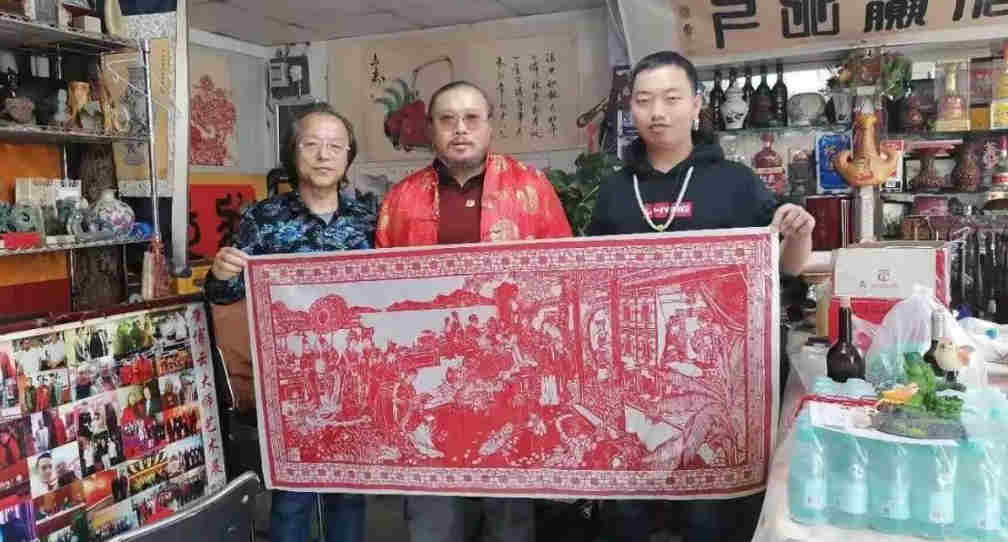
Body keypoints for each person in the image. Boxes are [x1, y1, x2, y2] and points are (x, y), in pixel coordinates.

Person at [586, 51, 815, 541]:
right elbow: (592, 280)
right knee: (630, 515)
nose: (657, 112)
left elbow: (787, 268)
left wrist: (799, 231)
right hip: (637, 391)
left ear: (695, 105)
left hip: (729, 389)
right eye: (644, 101)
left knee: (713, 519)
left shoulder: (736, 182)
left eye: (671, 99)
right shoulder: (614, 192)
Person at [376, 80, 572, 542]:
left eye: (471, 118)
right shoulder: (401, 199)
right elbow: (382, 289)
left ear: (489, 125)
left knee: (509, 521)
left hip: (509, 391)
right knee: (433, 520)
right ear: (430, 129)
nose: (460, 129)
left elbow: (564, 275)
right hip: (438, 398)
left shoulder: (531, 189)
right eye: (447, 120)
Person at [205, 103, 374, 542]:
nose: (323, 155)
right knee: (292, 496)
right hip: (286, 379)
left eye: (335, 146)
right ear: (293, 153)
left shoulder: (369, 219)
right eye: (311, 144)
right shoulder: (262, 219)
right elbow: (225, 294)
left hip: (351, 372)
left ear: (349, 155)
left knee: (348, 492)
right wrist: (221, 274)